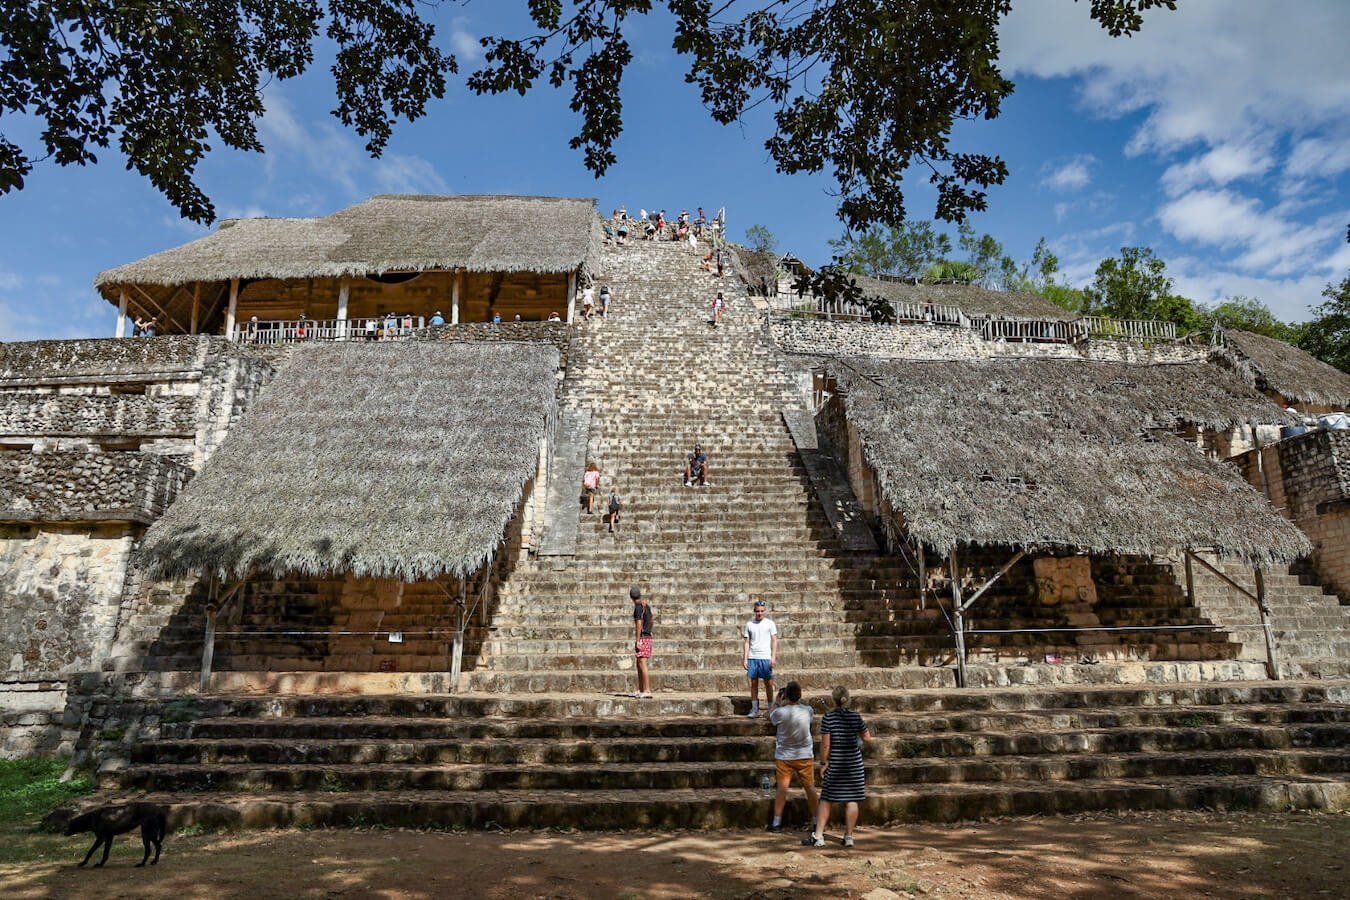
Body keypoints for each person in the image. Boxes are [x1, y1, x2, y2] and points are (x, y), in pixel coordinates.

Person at [803, 686, 872, 849]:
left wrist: (823, 762)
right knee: (853, 798)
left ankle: (819, 836)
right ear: (848, 699)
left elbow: (825, 745)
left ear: (833, 700)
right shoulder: (855, 716)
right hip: (854, 761)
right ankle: (848, 836)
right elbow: (867, 737)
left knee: (827, 798)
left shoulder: (829, 717)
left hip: (837, 760)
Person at [768, 681, 819, 832]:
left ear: (786, 695)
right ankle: (817, 820)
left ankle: (777, 822)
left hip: (785, 756)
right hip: (805, 755)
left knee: (782, 789)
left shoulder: (780, 712)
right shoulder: (808, 710)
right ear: (800, 695)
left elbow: (769, 716)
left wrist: (777, 702)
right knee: (810, 788)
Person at [742, 600, 777, 717]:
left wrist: (773, 657)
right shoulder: (749, 624)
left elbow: (774, 640)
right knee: (753, 684)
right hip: (753, 657)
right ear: (754, 611)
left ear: (765, 611)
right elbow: (747, 642)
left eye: (762, 611)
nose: (759, 613)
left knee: (768, 683)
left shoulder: (770, 623)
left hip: (765, 657)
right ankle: (754, 709)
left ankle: (771, 709)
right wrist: (745, 658)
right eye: (757, 611)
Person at [630, 586, 653, 699]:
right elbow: (652, 620)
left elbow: (639, 623)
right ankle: (641, 689)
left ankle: (647, 690)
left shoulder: (638, 607)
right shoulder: (646, 606)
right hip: (648, 636)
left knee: (642, 663)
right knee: (638, 663)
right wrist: (649, 630)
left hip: (643, 637)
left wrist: (638, 640)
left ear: (631, 597)